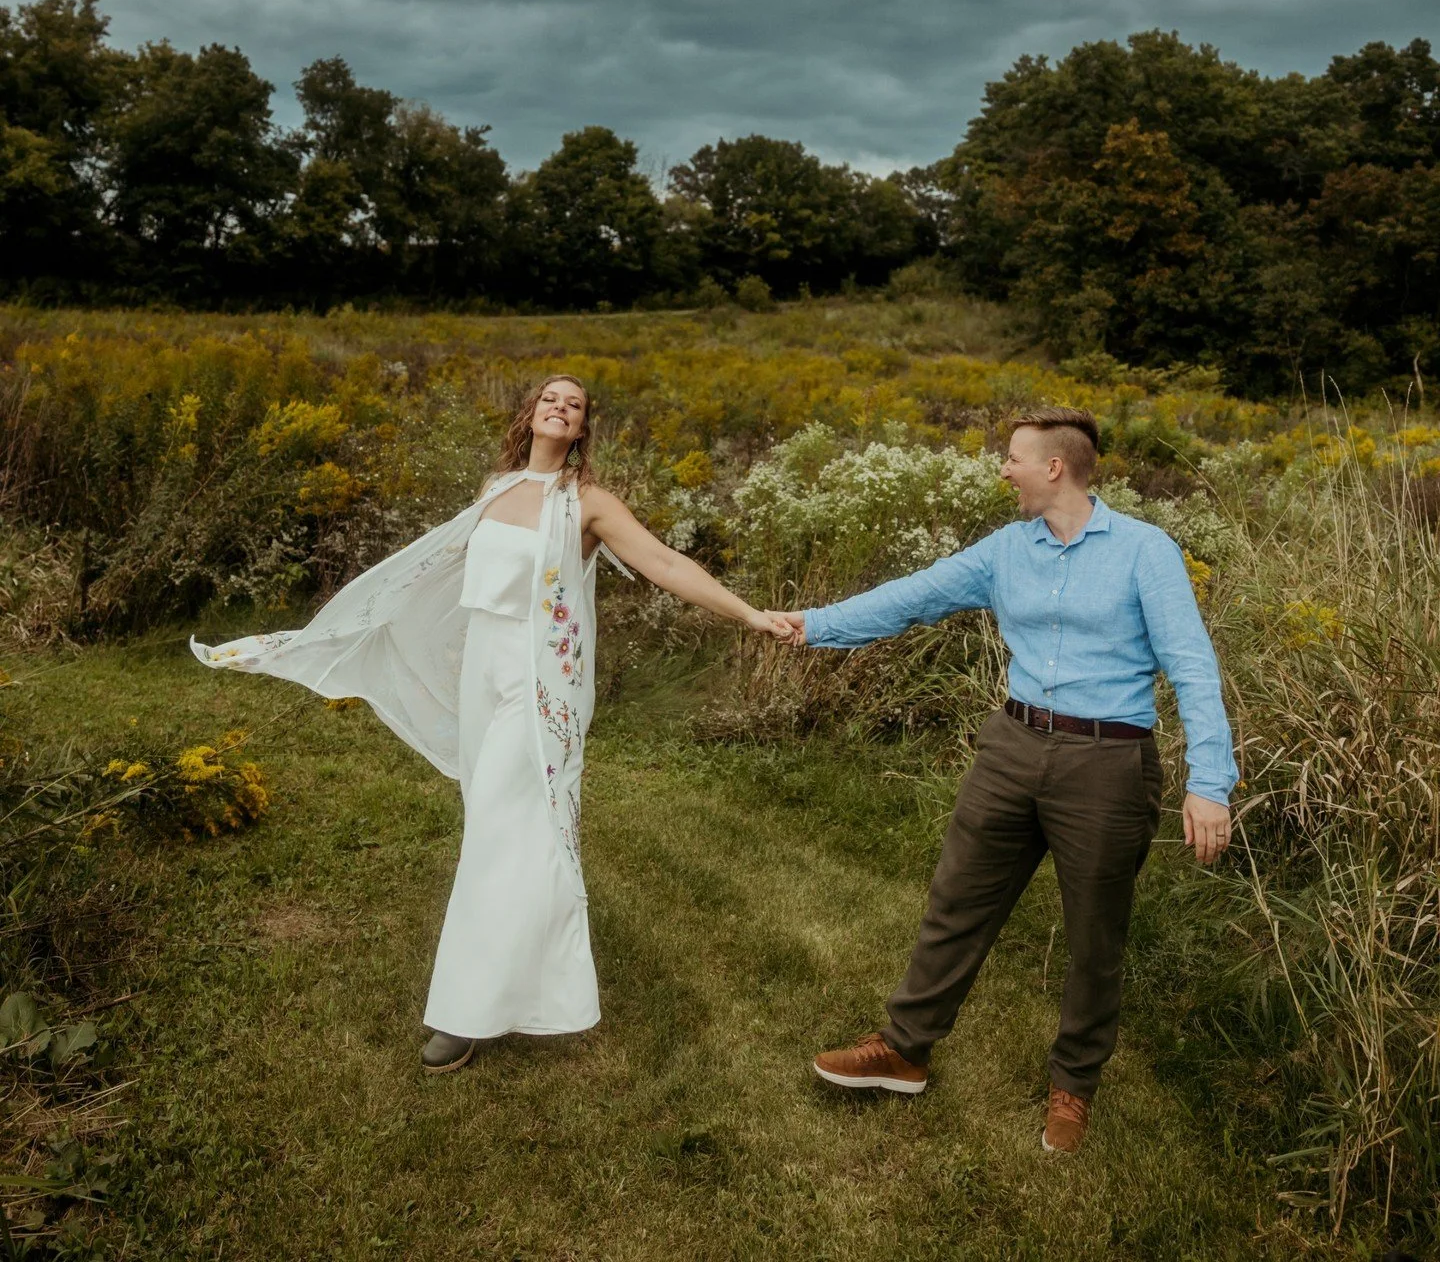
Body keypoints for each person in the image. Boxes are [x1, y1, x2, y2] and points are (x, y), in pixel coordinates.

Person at [193, 374, 792, 1073]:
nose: (560, 406)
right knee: (495, 828)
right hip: (484, 674)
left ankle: (464, 1012)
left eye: (575, 404)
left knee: (506, 832)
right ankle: (525, 988)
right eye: (550, 397)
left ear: (582, 430)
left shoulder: (587, 503)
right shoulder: (494, 489)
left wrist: (750, 614)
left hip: (540, 688)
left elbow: (662, 562)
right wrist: (349, 628)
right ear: (531, 413)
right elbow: (442, 578)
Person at [778, 406, 1236, 1154]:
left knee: (1095, 936)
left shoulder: (1144, 552)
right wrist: (814, 624)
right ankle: (904, 1049)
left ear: (1055, 466)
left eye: (1012, 457)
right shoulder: (1006, 550)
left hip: (1106, 763)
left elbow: (1192, 666)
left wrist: (1210, 781)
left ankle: (1073, 1087)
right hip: (1013, 746)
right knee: (957, 900)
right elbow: (915, 595)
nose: (1003, 469)